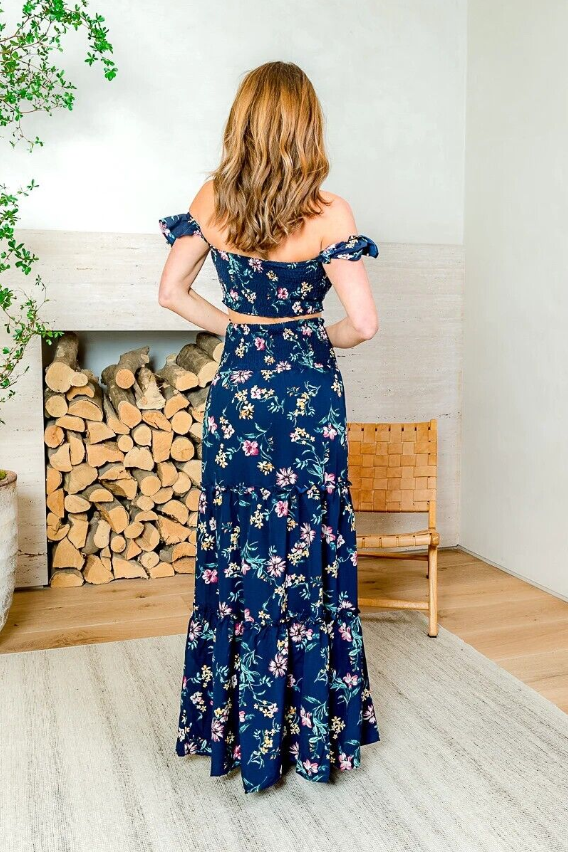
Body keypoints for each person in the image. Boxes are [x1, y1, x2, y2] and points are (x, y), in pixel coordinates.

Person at [158, 60, 380, 794]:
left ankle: (234, 727)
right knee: (307, 545)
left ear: (243, 121)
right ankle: (309, 732)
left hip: (241, 395)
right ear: (307, 126)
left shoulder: (213, 199)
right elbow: (364, 324)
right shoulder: (330, 213)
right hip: (308, 400)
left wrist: (239, 329)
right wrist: (312, 336)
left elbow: (170, 291)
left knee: (238, 547)